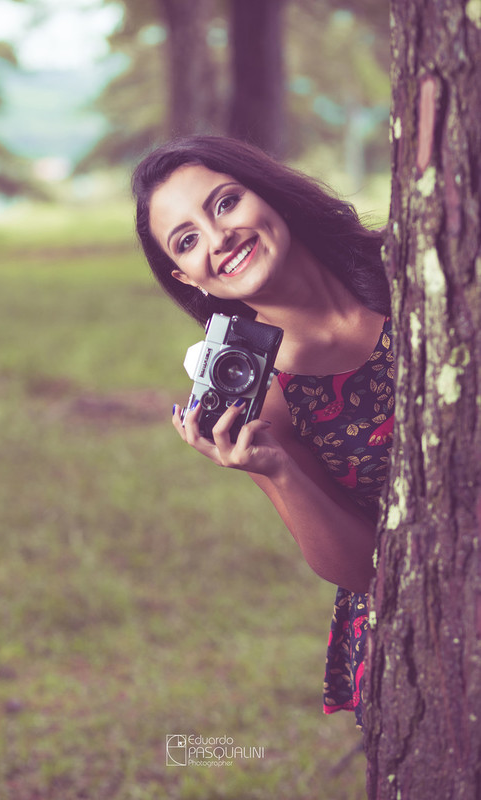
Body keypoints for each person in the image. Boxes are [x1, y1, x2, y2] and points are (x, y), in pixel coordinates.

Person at [131, 135, 393, 730]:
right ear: (188, 277)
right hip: (425, 625)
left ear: (267, 195)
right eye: (189, 240)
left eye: (224, 204)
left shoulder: (414, 269)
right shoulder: (261, 397)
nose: (218, 238)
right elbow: (363, 571)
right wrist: (275, 468)